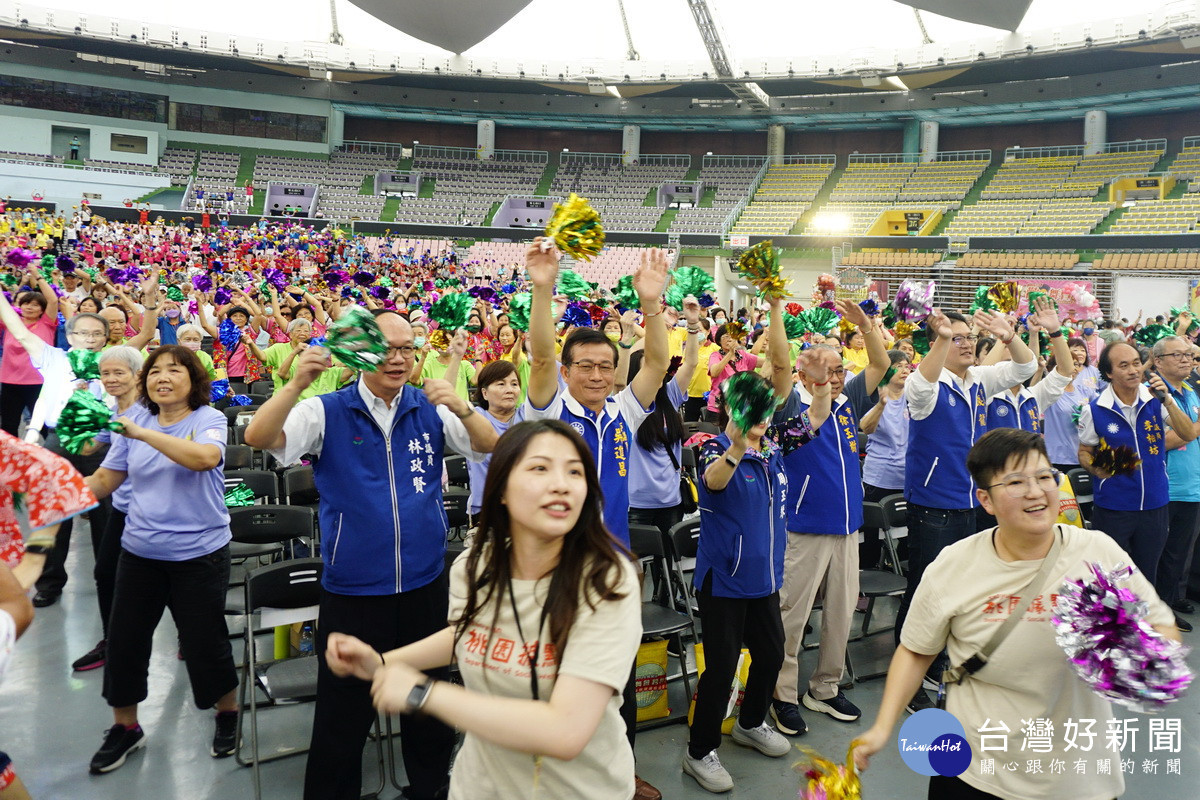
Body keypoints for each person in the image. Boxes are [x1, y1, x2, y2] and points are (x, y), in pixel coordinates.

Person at [243, 309, 501, 800]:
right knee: (343, 716)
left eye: (407, 348)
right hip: (354, 589)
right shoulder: (327, 411)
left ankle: (428, 789)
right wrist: (297, 383)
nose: (398, 358)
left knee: (427, 704)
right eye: (385, 348)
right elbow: (258, 437)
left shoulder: (430, 407)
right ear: (359, 352)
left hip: (426, 583)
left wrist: (464, 408)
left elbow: (488, 447)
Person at [854, 428, 1181, 800]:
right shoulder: (954, 565)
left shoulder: (1098, 554)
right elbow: (916, 651)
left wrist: (1132, 652)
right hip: (975, 768)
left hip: (1076, 776)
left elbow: (1162, 627)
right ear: (986, 500)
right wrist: (882, 727)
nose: (1036, 491)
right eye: (1015, 481)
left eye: (1045, 476)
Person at [327, 419, 641, 799]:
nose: (561, 483)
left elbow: (566, 731)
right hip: (479, 787)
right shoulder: (476, 565)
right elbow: (470, 632)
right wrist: (383, 663)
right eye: (540, 468)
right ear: (502, 489)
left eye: (575, 471)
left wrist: (423, 694)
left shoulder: (605, 582)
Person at [523, 238, 669, 800]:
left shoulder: (623, 414)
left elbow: (656, 361)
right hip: (555, 568)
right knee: (556, 675)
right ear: (566, 371)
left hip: (612, 565)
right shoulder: (549, 409)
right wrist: (542, 288)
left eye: (607, 366)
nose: (598, 374)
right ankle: (553, 777)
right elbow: (537, 357)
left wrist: (652, 308)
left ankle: (618, 771)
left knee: (617, 675)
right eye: (585, 366)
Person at [683, 292, 827, 793]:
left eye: (764, 412)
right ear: (728, 408)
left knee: (770, 657)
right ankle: (699, 752)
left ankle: (749, 724)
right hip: (723, 580)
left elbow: (813, 421)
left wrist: (822, 384)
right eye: (751, 412)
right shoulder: (706, 445)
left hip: (765, 580)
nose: (761, 419)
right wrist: (738, 447)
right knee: (721, 670)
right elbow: (714, 483)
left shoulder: (773, 447)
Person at [81, 345, 240, 774]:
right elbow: (104, 479)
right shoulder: (132, 424)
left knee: (205, 641)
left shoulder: (207, 419)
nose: (162, 377)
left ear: (193, 379)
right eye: (154, 371)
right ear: (144, 380)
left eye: (175, 369)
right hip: (140, 552)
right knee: (126, 642)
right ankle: (126, 727)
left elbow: (205, 459)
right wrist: (53, 502)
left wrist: (142, 432)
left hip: (199, 554)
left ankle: (227, 713)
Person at [894, 302, 1049, 711]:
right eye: (956, 339)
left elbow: (1023, 368)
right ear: (937, 344)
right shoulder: (926, 383)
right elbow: (920, 390)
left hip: (972, 505)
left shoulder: (978, 379)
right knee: (925, 592)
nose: (965, 345)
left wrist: (1008, 335)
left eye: (968, 338)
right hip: (934, 505)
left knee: (959, 591)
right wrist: (942, 339)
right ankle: (908, 680)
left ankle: (939, 663)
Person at [769, 299, 889, 736]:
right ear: (804, 373)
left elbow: (879, 362)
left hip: (846, 528)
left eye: (840, 369)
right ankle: (780, 693)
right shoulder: (786, 407)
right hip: (802, 529)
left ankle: (823, 687)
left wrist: (866, 325)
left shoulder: (848, 401)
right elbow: (778, 366)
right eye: (827, 370)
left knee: (840, 614)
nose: (836, 377)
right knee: (792, 616)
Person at [1077, 341, 1197, 584]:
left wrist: (1168, 401)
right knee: (1110, 576)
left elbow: (1187, 433)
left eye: (1136, 363)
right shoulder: (1096, 409)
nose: (1133, 370)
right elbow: (1084, 451)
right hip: (1113, 507)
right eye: (1124, 365)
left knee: (1146, 575)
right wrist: (1095, 467)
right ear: (1109, 373)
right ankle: (1112, 622)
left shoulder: (1155, 400)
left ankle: (1145, 621)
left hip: (1155, 504)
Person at [70, 346, 146, 672]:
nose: (111, 379)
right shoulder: (112, 412)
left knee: (166, 580)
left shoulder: (151, 412)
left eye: (119, 373)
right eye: (105, 373)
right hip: (122, 507)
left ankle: (189, 635)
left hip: (153, 511)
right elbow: (86, 446)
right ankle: (111, 641)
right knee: (105, 572)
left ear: (137, 375)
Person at [627, 295, 701, 541]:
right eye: (648, 368)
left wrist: (692, 325)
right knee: (634, 565)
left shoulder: (670, 394)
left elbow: (690, 363)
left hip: (671, 499)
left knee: (669, 564)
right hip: (637, 503)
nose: (656, 370)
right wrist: (627, 340)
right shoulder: (627, 405)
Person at [1150, 335, 1200, 633]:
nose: (1186, 359)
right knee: (1159, 555)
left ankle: (1169, 602)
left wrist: (1190, 430)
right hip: (1165, 487)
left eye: (1189, 355)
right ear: (1157, 361)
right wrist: (1193, 429)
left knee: (1178, 555)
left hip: (1191, 486)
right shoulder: (1151, 395)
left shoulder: (1191, 392)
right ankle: (1157, 609)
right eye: (1177, 355)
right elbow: (1158, 442)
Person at [858, 350, 913, 569]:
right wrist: (881, 405)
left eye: (907, 365)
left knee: (909, 531)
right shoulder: (874, 395)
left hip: (907, 475)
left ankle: (898, 566)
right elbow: (866, 427)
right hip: (879, 477)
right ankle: (868, 572)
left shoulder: (914, 395)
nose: (904, 370)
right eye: (898, 365)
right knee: (871, 533)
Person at [0, 274, 59, 436]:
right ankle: (10, 459)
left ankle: (51, 457)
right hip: (10, 381)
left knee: (44, 425)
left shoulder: (47, 323)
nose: (29, 307)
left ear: (42, 309)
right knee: (8, 425)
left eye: (35, 305)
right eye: (26, 303)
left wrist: (37, 276)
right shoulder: (10, 323)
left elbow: (53, 300)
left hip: (39, 382)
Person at [466, 359, 524, 522]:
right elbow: (445, 405)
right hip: (485, 512)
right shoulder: (475, 417)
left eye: (514, 384)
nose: (509, 390)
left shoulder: (527, 416)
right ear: (484, 393)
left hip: (525, 510)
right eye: (501, 384)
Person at [1042, 337, 1103, 473]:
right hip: (1058, 458)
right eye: (1070, 364)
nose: (1074, 368)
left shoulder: (1084, 390)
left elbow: (1101, 406)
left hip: (1083, 456)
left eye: (1076, 365)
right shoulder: (1050, 390)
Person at [705, 322, 758, 423]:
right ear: (719, 340)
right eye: (725, 336)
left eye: (732, 336)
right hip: (718, 408)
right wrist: (730, 353)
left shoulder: (743, 355)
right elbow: (714, 372)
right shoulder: (716, 356)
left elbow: (765, 362)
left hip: (738, 407)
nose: (729, 339)